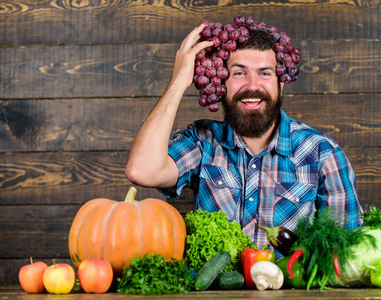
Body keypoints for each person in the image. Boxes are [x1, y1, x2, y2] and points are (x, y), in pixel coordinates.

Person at [125, 21, 363, 255]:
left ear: (281, 85)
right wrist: (178, 82)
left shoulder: (322, 154)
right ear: (220, 82)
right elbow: (142, 170)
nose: (252, 85)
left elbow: (347, 250)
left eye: (265, 73)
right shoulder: (203, 142)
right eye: (239, 73)